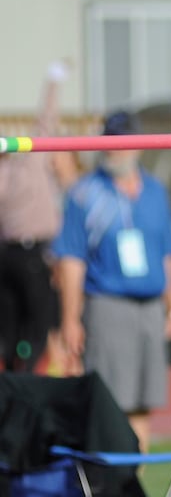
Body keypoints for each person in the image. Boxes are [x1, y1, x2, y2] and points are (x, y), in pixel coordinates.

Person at [53, 110, 171, 454]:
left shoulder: (155, 191)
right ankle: (108, 486)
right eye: (110, 143)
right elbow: (71, 260)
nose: (115, 150)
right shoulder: (85, 193)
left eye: (123, 143)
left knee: (143, 402)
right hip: (109, 305)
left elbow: (167, 255)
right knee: (111, 401)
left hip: (151, 307)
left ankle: (133, 486)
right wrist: (70, 319)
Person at [0, 60, 71, 374]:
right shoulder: (29, 164)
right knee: (39, 325)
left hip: (7, 258)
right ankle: (25, 369)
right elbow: (46, 120)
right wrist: (53, 81)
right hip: (31, 257)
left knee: (12, 328)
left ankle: (17, 367)